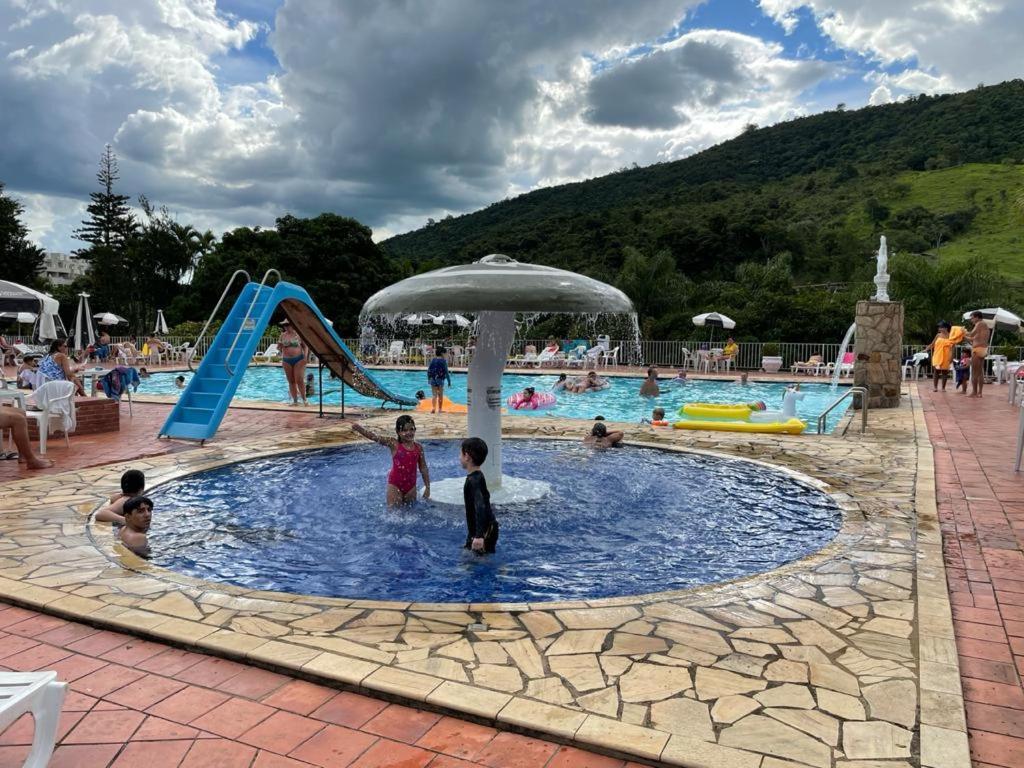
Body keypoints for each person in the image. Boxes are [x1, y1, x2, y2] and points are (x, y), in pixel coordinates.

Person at [352, 415, 430, 506]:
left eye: (412, 429)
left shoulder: (418, 448)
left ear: (415, 429)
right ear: (398, 432)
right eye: (404, 430)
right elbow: (375, 437)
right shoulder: (394, 444)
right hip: (395, 485)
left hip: (411, 487)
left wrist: (427, 487)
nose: (409, 432)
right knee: (393, 515)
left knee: (411, 513)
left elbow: (423, 468)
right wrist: (359, 429)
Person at [460, 437, 498, 554]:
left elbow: (480, 506)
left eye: (460, 454)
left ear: (467, 457)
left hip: (484, 531)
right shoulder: (477, 476)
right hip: (484, 528)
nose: (459, 457)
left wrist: (479, 536)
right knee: (468, 555)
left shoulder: (473, 481)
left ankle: (503, 571)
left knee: (478, 560)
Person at [279, 320, 308, 405]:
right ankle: (295, 401)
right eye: (284, 325)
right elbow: (279, 347)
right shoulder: (282, 335)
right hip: (286, 360)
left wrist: (305, 357)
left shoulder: (298, 334)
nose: (286, 327)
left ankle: (304, 400)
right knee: (291, 381)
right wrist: (281, 346)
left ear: (292, 325)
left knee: (299, 380)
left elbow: (305, 346)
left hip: (298, 359)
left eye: (288, 325)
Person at [963, 311, 991, 397]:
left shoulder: (979, 324)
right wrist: (964, 337)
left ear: (977, 317)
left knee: (975, 372)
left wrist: (962, 331)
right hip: (982, 349)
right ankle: (980, 393)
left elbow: (971, 333)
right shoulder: (983, 326)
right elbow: (972, 338)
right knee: (980, 372)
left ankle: (974, 392)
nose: (971, 320)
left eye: (972, 318)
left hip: (977, 349)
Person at [926, 322, 954, 392]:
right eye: (939, 327)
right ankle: (935, 387)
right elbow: (932, 344)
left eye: (941, 327)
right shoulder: (938, 335)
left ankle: (943, 388)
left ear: (946, 328)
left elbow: (953, 348)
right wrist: (926, 349)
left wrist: (951, 357)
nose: (939, 329)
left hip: (947, 356)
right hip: (937, 355)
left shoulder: (951, 336)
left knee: (945, 372)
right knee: (936, 371)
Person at [427, 346, 452, 414]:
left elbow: (429, 370)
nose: (446, 355)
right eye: (445, 354)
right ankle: (440, 409)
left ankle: (433, 408)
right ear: (442, 353)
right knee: (440, 395)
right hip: (440, 379)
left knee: (434, 395)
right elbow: (446, 372)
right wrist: (449, 381)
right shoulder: (443, 361)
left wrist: (429, 379)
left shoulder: (433, 360)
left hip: (432, 379)